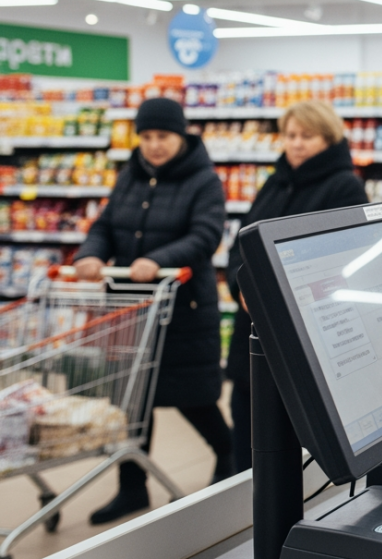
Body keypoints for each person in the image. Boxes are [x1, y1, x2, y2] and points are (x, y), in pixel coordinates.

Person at [73, 97, 233, 524]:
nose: (154, 145)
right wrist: (90, 255)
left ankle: (230, 456)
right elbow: (105, 226)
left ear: (180, 135)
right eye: (146, 136)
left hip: (181, 307)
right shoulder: (129, 175)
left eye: (162, 136)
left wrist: (158, 260)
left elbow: (205, 235)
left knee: (192, 397)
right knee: (131, 401)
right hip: (130, 307)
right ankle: (132, 487)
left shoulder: (204, 180)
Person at [225, 100, 368, 473]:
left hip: (305, 335)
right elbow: (238, 244)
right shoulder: (275, 181)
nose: (297, 143)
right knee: (246, 420)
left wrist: (276, 297)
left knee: (286, 440)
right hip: (253, 332)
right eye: (290, 135)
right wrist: (238, 285)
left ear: (328, 139)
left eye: (308, 136)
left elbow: (340, 261)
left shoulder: (344, 187)